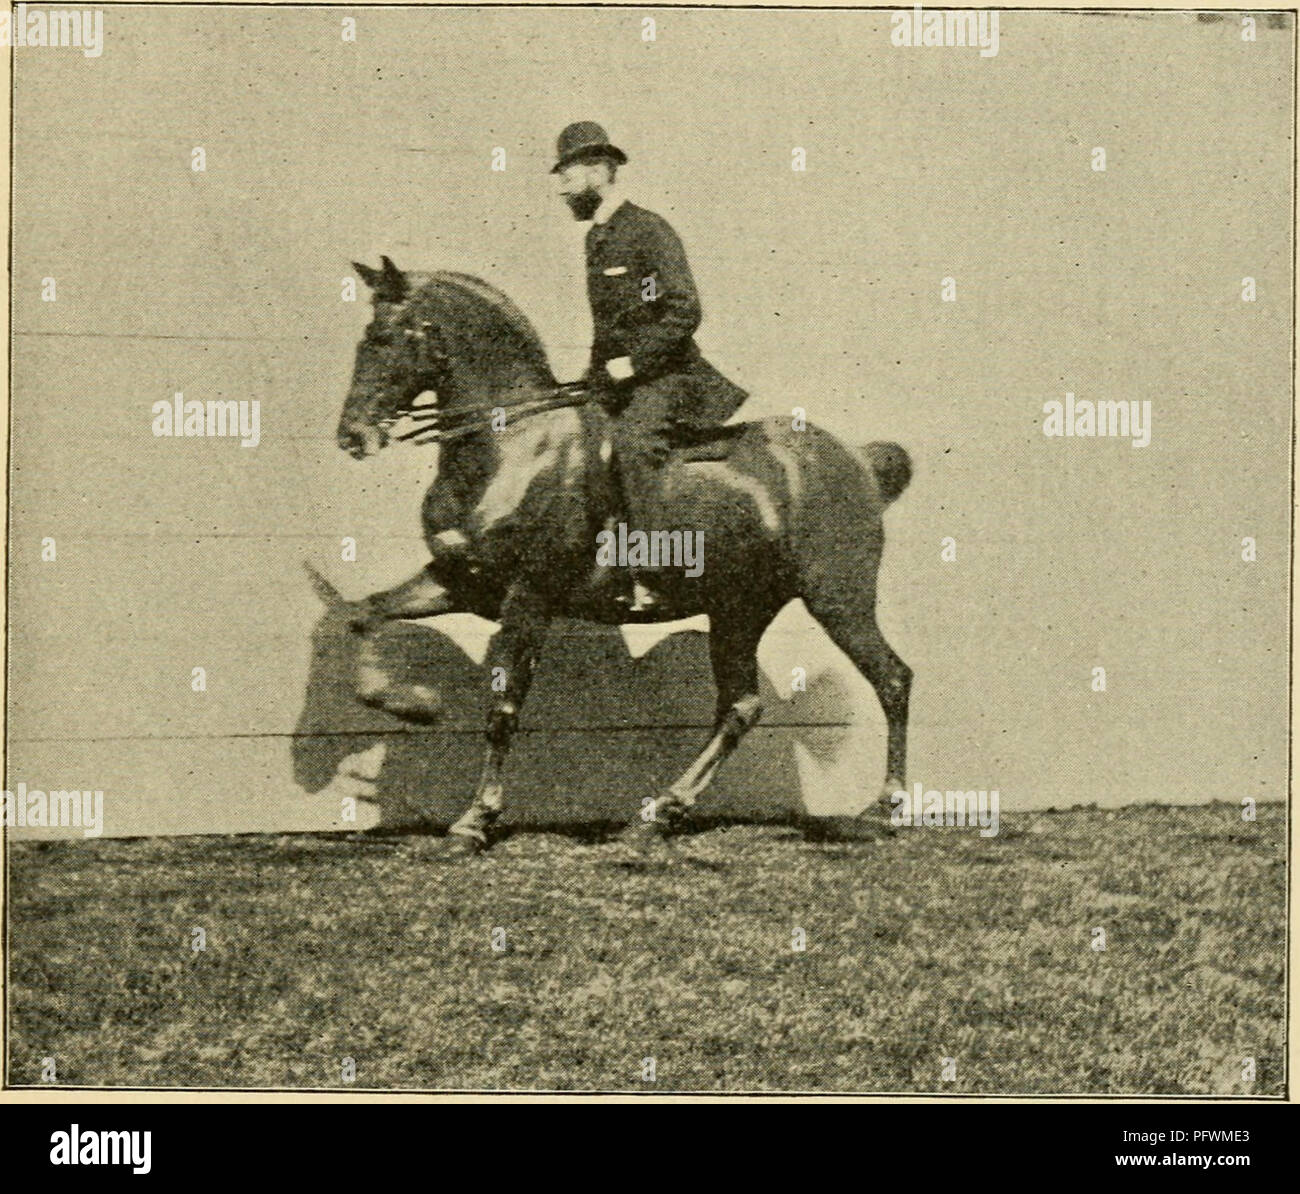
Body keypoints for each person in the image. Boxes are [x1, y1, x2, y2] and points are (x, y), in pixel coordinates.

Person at [552, 121, 746, 607]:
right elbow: (611, 327)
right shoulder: (597, 238)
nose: (561, 186)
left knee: (635, 445)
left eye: (569, 173)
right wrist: (592, 380)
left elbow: (685, 308)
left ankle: (657, 574)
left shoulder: (648, 229)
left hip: (669, 377)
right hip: (621, 379)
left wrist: (634, 363)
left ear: (600, 170)